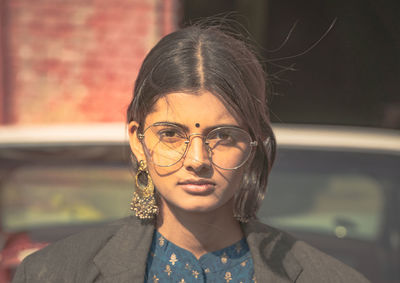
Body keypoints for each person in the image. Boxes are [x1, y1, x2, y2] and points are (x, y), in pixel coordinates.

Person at [12, 24, 369, 283]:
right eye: (171, 134)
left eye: (223, 136)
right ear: (138, 140)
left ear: (253, 141)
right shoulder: (57, 273)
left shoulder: (329, 278)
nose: (197, 159)